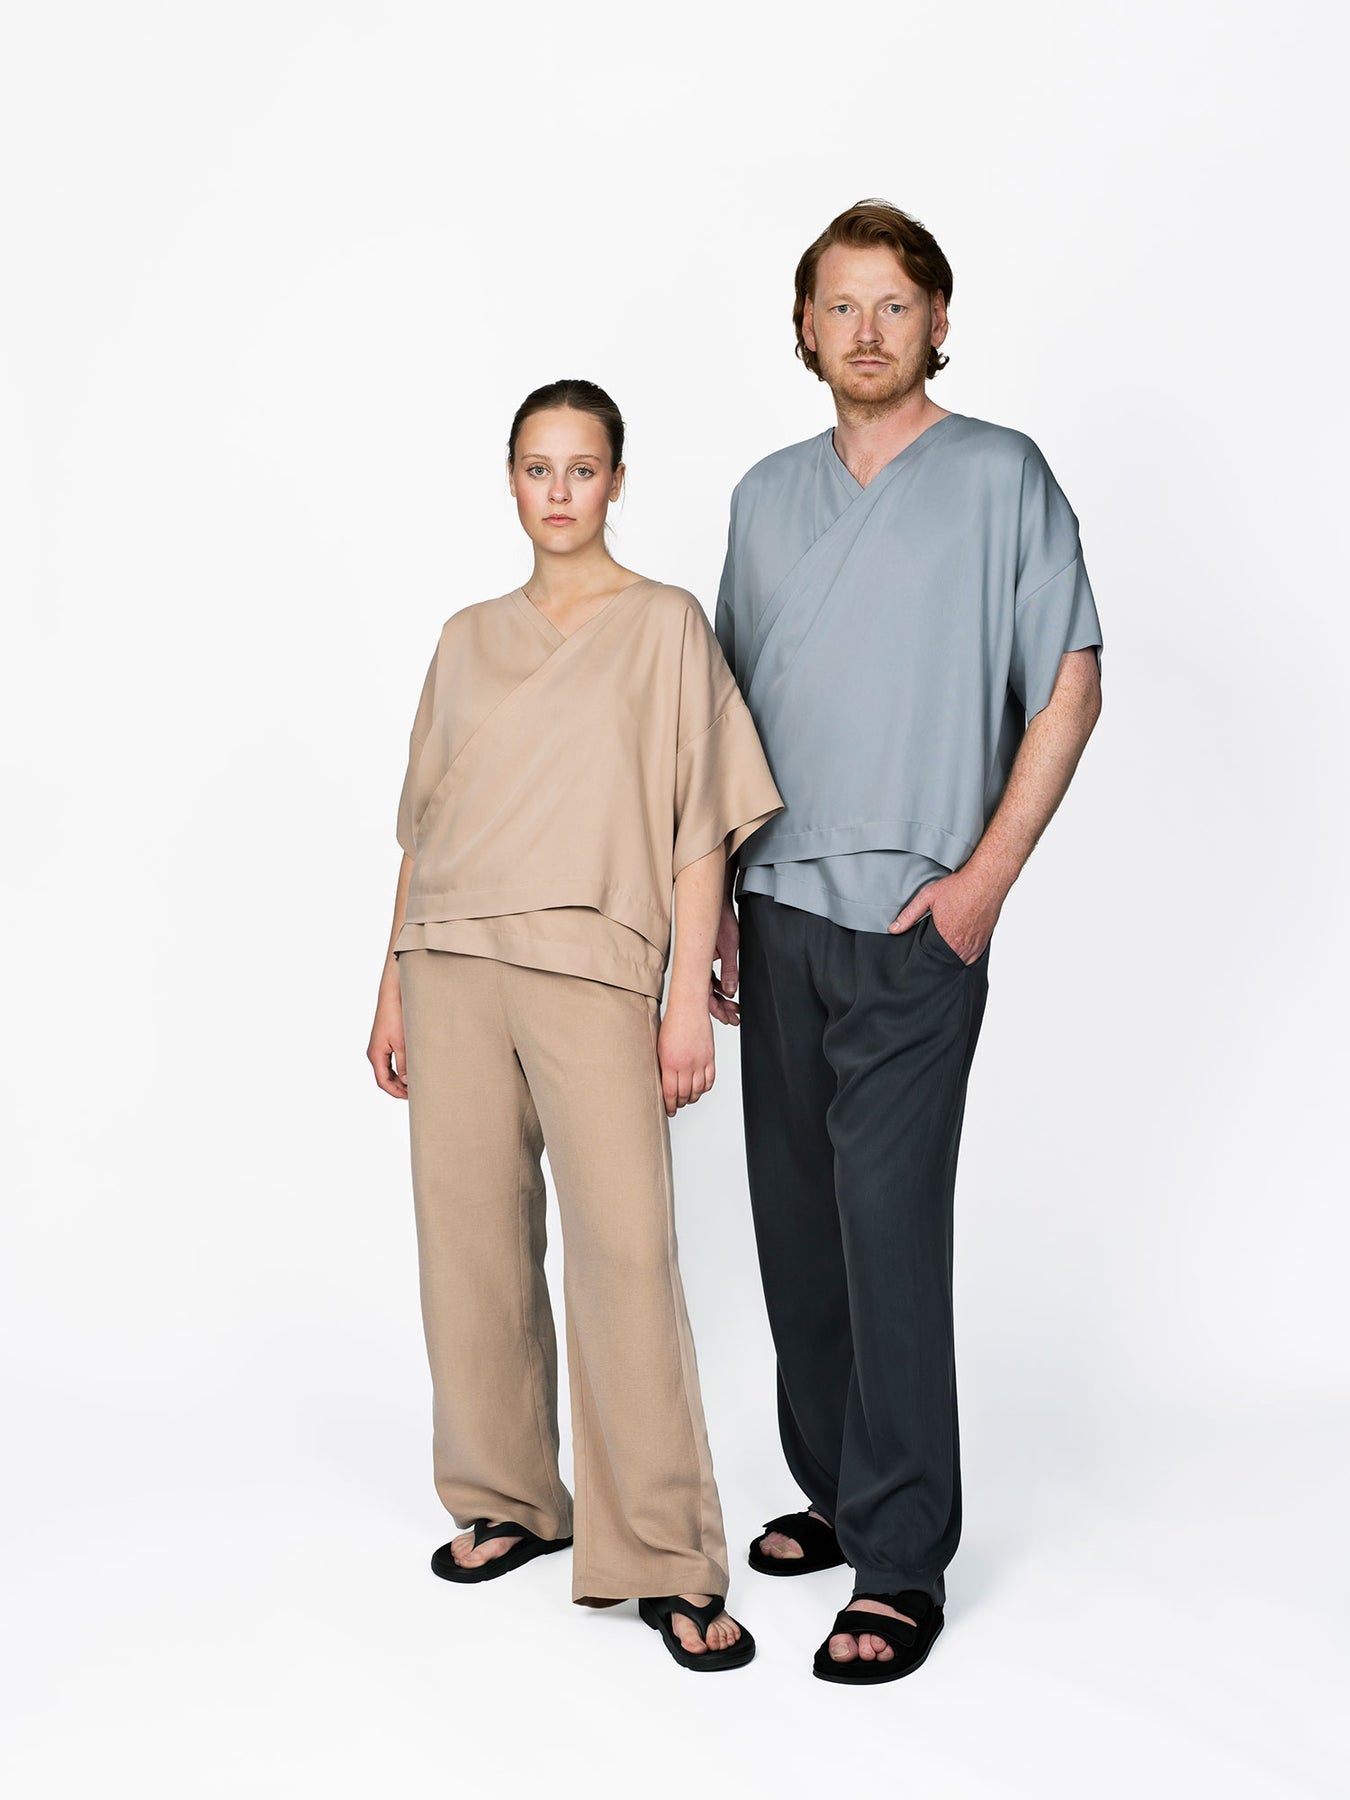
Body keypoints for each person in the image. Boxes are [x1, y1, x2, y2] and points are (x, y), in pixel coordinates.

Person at [712, 200, 1104, 1684]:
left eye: (893, 303)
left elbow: (1068, 682)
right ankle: (833, 1486)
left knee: (886, 1227)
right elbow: (726, 721)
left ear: (937, 322)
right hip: (777, 908)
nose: (865, 329)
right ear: (803, 330)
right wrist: (719, 904)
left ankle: (899, 1560)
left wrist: (984, 881)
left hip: (913, 917)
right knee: (798, 1230)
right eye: (840, 305)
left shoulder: (1000, 476)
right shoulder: (764, 498)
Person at [367, 379, 783, 1672]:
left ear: (615, 481)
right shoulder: (464, 638)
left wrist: (683, 1001)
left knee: (625, 1255)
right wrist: (389, 982)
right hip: (449, 957)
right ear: (510, 481)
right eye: (537, 468)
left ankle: (662, 1553)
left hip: (594, 966)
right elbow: (424, 824)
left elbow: (700, 825)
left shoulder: (663, 625)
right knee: (467, 1245)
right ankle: (508, 1497)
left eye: (582, 468)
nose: (559, 491)